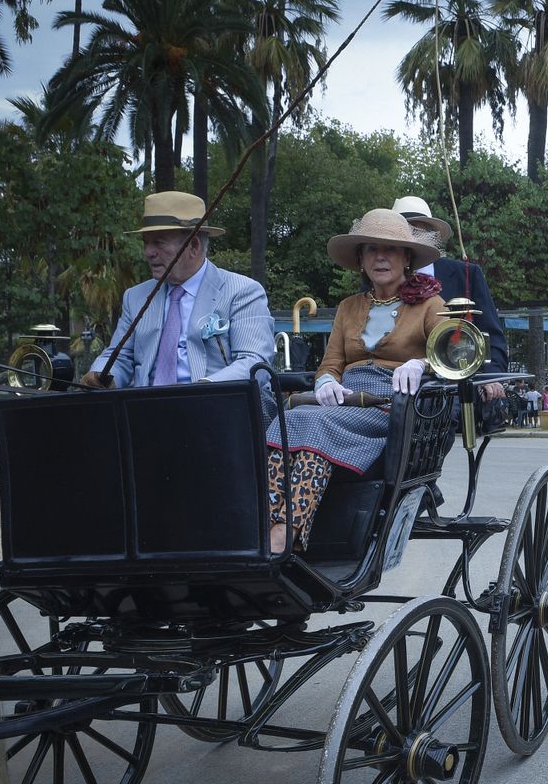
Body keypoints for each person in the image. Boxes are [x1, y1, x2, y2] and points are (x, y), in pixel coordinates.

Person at [265, 209, 445, 554]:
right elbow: (330, 363)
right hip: (343, 400)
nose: (380, 257)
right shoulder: (349, 307)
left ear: (406, 258)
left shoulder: (430, 305)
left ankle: (285, 535)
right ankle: (271, 524)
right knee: (286, 420)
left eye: (390, 249)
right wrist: (326, 383)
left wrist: (422, 363)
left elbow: (455, 357)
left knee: (309, 423)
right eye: (371, 249)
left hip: (391, 404)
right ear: (360, 259)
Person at [82, 192, 274, 387]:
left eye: (159, 242)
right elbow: (119, 357)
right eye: (146, 242)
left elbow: (255, 364)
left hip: (214, 410)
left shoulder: (242, 292)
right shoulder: (135, 297)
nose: (148, 253)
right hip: (143, 412)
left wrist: (199, 392)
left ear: (193, 245)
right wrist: (100, 376)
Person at [393, 195, 508, 373]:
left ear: (432, 236)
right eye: (402, 234)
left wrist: (490, 380)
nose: (411, 240)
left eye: (417, 232)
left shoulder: (467, 274)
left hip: (457, 384)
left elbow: (492, 336)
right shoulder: (378, 282)